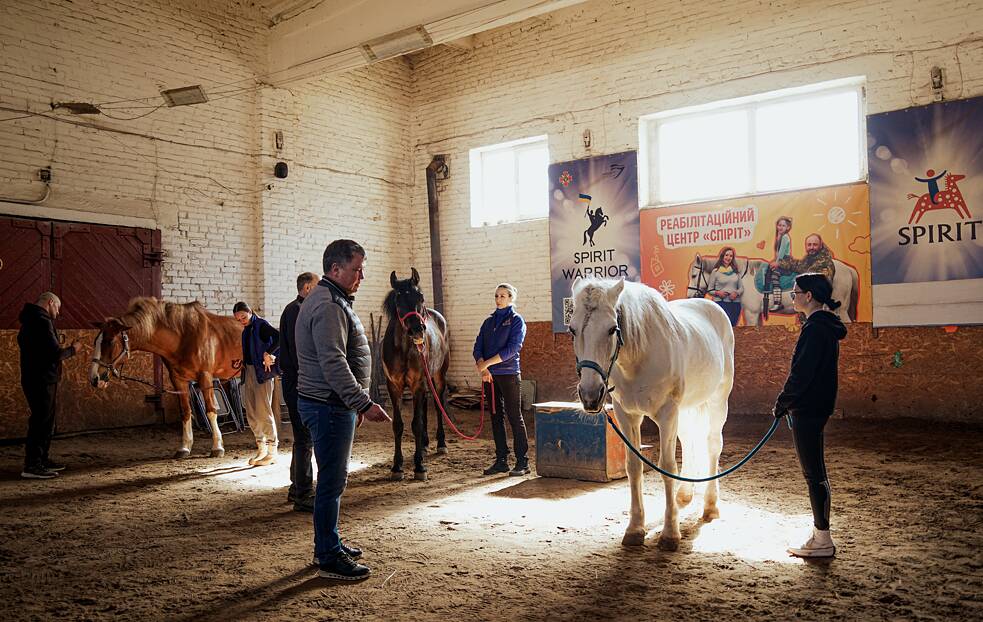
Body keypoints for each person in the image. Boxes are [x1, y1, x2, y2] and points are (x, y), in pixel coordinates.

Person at [295, 239, 391, 581]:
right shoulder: (329, 306)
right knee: (332, 481)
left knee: (333, 480)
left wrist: (354, 403)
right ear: (335, 269)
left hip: (331, 404)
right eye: (357, 269)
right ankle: (327, 555)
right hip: (328, 406)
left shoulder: (329, 299)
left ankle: (329, 542)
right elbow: (334, 362)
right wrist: (362, 401)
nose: (361, 276)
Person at [772, 273, 847, 558]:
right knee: (815, 471)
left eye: (796, 292)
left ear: (809, 296)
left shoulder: (815, 329)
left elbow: (801, 374)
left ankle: (822, 538)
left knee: (813, 473)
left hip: (809, 407)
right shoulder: (822, 326)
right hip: (816, 405)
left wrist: (782, 401)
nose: (793, 297)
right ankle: (820, 535)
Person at [18, 292, 83, 479]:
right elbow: (55, 354)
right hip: (42, 379)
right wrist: (73, 350)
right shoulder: (42, 321)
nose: (58, 312)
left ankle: (41, 459)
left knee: (45, 421)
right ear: (51, 302)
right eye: (58, 307)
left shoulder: (30, 320)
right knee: (41, 421)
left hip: (37, 378)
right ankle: (32, 465)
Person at [473, 283, 530, 477]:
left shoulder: (516, 320)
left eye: (503, 296)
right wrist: (484, 368)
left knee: (515, 416)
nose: (498, 299)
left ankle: (523, 462)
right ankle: (501, 460)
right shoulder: (488, 322)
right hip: (490, 377)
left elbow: (512, 349)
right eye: (497, 296)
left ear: (511, 298)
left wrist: (486, 364)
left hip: (508, 374)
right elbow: (477, 346)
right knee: (496, 417)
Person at [279, 272, 320, 512]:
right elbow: (299, 352)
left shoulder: (291, 309)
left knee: (301, 438)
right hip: (299, 382)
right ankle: (304, 494)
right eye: (315, 287)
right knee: (305, 438)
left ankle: (296, 487)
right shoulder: (298, 312)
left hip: (295, 381)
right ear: (306, 288)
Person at [233, 301, 281, 466]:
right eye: (238, 319)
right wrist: (243, 361)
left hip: (263, 373)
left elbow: (280, 338)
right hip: (249, 372)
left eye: (243, 317)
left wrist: (269, 353)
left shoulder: (261, 325)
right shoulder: (247, 330)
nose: (242, 321)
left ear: (250, 312)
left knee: (264, 410)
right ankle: (261, 448)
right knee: (251, 411)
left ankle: (272, 451)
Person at [706, 246, 744, 327]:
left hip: (735, 304)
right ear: (722, 256)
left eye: (731, 256)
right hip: (721, 304)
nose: (728, 257)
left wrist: (736, 293)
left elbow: (741, 288)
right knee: (723, 327)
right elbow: (709, 290)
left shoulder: (735, 271)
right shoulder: (715, 272)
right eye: (726, 255)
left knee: (733, 328)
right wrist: (718, 292)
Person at [767, 216, 793, 312]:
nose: (781, 227)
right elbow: (777, 253)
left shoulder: (785, 237)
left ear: (788, 228)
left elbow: (781, 253)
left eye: (783, 225)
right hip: (781, 260)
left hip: (785, 261)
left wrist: (777, 263)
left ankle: (778, 302)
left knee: (775, 275)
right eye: (779, 225)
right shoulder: (779, 236)